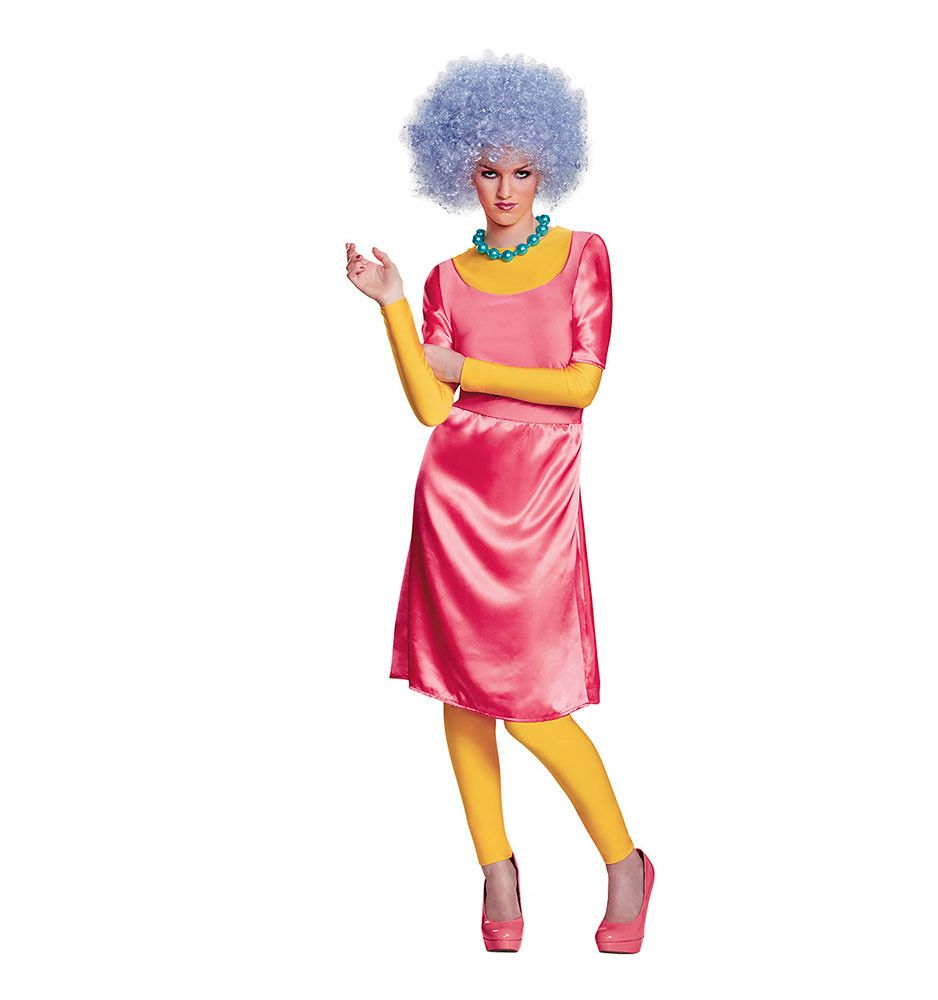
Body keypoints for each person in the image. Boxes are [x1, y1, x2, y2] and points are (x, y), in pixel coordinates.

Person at [345, 51, 655, 953]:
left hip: (536, 505)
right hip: (453, 499)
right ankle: (496, 869)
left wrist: (471, 368)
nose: (507, 189)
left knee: (530, 705)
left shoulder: (584, 256)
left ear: (547, 165)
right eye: (489, 171)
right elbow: (430, 406)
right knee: (462, 691)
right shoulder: (444, 278)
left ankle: (625, 863)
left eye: (522, 170)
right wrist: (392, 305)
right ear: (462, 170)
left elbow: (582, 385)